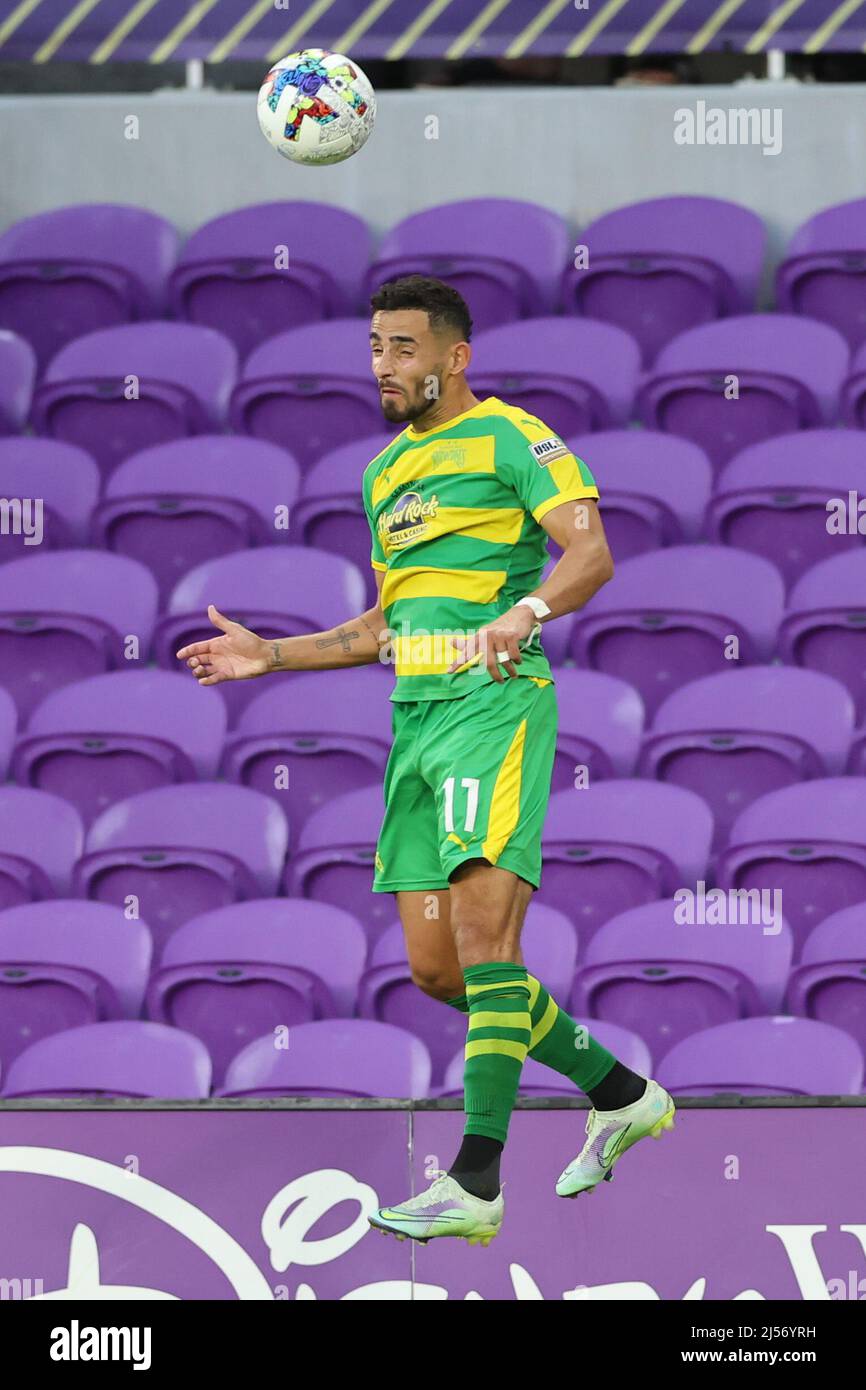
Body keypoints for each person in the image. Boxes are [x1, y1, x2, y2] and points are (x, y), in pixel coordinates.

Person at [177, 275, 675, 1247]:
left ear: (454, 357)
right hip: (414, 723)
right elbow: (384, 621)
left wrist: (525, 611)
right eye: (374, 348)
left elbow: (589, 552)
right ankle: (619, 1095)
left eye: (404, 348)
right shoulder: (380, 476)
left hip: (493, 708)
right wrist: (271, 654)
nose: (383, 366)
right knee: (437, 969)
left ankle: (475, 1179)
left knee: (489, 948)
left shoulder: (512, 439)